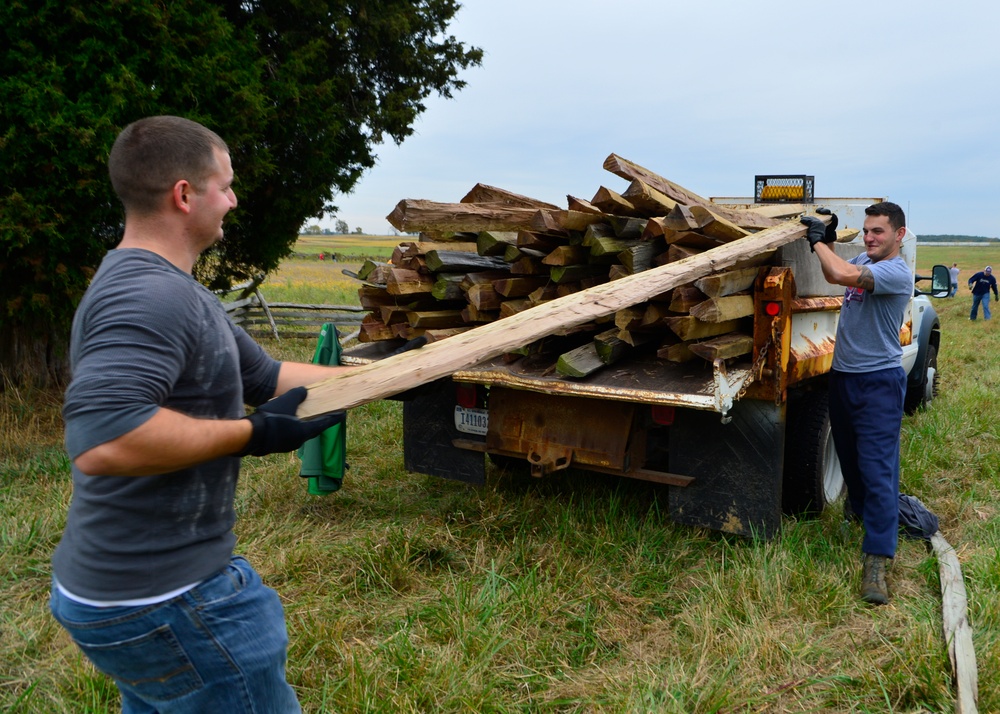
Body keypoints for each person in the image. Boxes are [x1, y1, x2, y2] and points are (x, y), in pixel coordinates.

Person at [49, 115, 352, 713]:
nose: (234, 200)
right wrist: (253, 435)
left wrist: (398, 381)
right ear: (184, 195)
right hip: (168, 600)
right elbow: (104, 439)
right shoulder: (150, 295)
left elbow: (266, 379)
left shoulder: (178, 291)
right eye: (225, 184)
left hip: (138, 593)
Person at [800, 202, 914, 605]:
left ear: (899, 235)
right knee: (849, 460)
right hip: (845, 378)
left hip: (878, 382)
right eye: (866, 230)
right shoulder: (866, 257)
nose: (869, 237)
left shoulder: (895, 272)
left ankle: (878, 559)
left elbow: (838, 272)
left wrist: (817, 243)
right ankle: (859, 512)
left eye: (878, 231)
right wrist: (829, 238)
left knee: (877, 469)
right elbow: (846, 259)